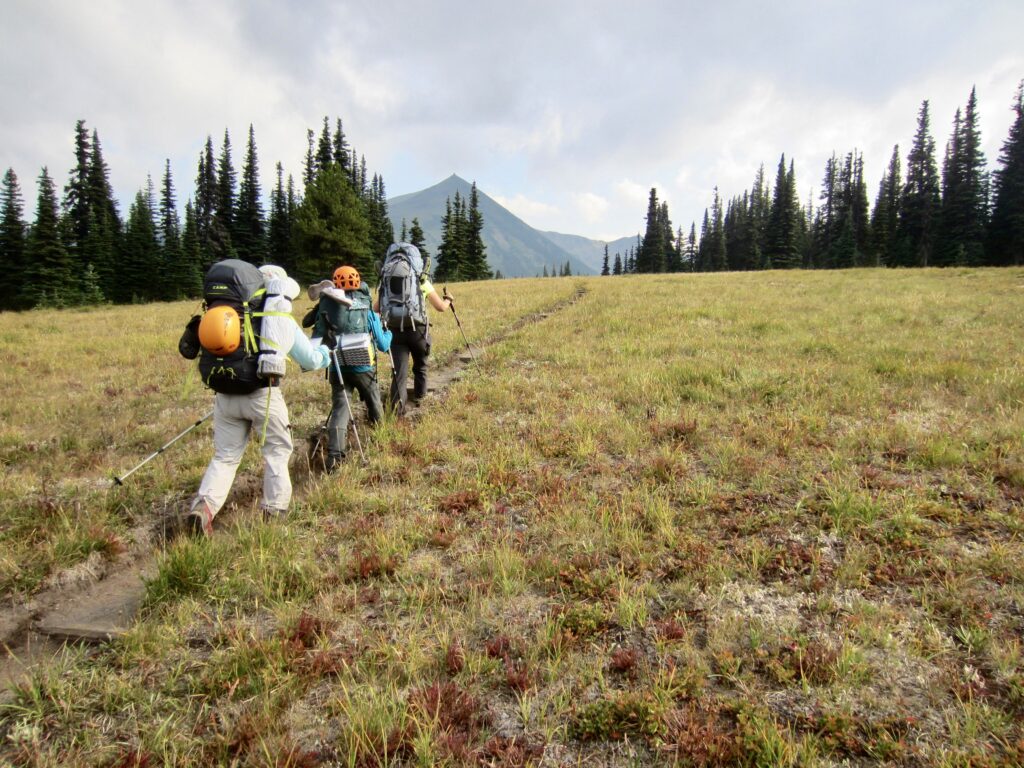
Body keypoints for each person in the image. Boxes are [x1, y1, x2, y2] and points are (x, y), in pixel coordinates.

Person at [187, 264, 330, 536]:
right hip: (263, 395)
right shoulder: (277, 316)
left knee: (225, 457)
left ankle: (203, 508)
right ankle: (274, 513)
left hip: (225, 395)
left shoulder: (231, 313)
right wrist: (326, 354)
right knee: (276, 452)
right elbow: (310, 360)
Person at [310, 265, 392, 472]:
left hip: (337, 365)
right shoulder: (365, 306)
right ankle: (381, 439)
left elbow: (315, 331)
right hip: (363, 366)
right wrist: (388, 333)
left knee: (340, 408)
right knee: (374, 400)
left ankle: (335, 457)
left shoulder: (326, 305)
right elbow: (383, 345)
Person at [375, 242, 453, 415]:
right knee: (420, 368)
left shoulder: (386, 280)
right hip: (418, 331)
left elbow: (376, 308)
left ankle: (397, 413)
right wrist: (448, 299)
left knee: (399, 374)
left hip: (394, 331)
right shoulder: (420, 280)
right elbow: (440, 307)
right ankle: (420, 402)